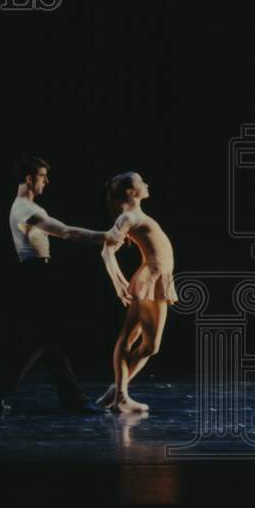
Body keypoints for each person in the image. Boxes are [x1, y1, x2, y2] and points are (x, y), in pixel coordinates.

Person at [0, 156, 118, 415]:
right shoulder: (25, 209)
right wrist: (105, 236)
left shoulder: (25, 206)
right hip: (35, 275)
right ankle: (70, 399)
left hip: (38, 273)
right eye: (42, 176)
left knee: (46, 341)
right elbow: (66, 232)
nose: (46, 181)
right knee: (46, 340)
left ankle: (3, 392)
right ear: (29, 179)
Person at [97, 172, 177, 413]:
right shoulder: (129, 217)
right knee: (150, 346)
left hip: (152, 278)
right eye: (141, 182)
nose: (146, 184)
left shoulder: (135, 215)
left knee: (130, 338)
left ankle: (118, 391)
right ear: (131, 192)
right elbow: (107, 251)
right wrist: (117, 280)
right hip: (151, 281)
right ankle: (119, 392)